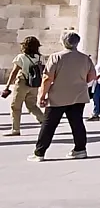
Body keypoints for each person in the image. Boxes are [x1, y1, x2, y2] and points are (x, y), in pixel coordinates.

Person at [28, 31, 96, 162]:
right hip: (78, 95)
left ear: (63, 42)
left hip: (58, 96)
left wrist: (42, 95)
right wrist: (80, 82)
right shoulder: (85, 58)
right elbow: (92, 76)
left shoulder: (56, 57)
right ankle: (80, 149)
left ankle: (39, 152)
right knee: (77, 123)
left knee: (49, 124)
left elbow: (47, 78)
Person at [2, 36, 45, 136]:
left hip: (22, 83)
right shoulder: (40, 57)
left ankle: (15, 129)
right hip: (34, 84)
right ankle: (44, 121)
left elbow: (14, 72)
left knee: (16, 106)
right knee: (32, 105)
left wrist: (7, 86)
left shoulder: (21, 57)